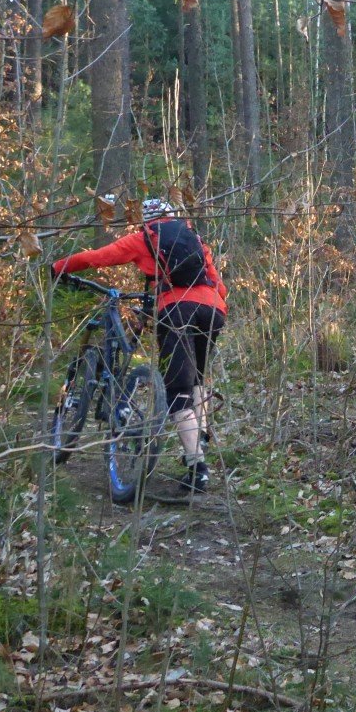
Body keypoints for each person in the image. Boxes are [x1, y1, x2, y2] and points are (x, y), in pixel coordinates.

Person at [51, 197, 227, 493]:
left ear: (147, 220)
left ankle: (197, 468)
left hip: (178, 311)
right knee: (196, 379)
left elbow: (98, 257)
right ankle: (201, 440)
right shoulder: (194, 239)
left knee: (178, 391)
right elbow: (219, 285)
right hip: (213, 310)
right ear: (172, 216)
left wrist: (59, 267)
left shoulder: (144, 238)